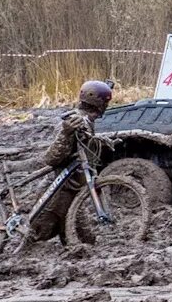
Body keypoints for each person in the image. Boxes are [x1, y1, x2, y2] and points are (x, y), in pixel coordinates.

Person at [27, 80, 112, 241]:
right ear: (101, 105)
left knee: (84, 238)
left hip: (72, 189)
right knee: (37, 234)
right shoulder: (72, 121)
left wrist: (103, 140)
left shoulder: (86, 120)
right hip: (58, 189)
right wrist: (65, 134)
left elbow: (83, 143)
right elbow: (51, 158)